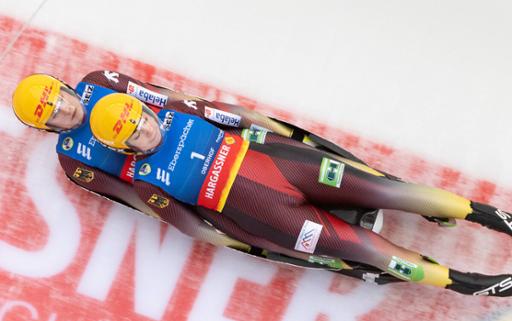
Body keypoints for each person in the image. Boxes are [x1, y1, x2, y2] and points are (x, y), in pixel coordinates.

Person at [90, 92, 512, 297]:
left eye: (141, 119)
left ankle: (486, 215)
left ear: (146, 110)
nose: (146, 130)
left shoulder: (177, 112)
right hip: (265, 216)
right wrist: (246, 241)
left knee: (388, 190)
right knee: (367, 250)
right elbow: (192, 226)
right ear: (125, 149)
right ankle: (465, 283)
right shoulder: (146, 181)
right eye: (134, 135)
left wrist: (285, 136)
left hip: (283, 165)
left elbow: (238, 117)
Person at [11, 72, 388, 281]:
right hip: (179, 185)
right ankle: (334, 254)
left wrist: (225, 119)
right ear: (47, 128)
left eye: (60, 100)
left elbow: (164, 98)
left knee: (262, 130)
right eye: (53, 115)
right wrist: (188, 217)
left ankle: (366, 183)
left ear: (64, 86)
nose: (64, 111)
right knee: (234, 231)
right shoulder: (73, 162)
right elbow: (133, 199)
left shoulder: (101, 82)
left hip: (209, 143)